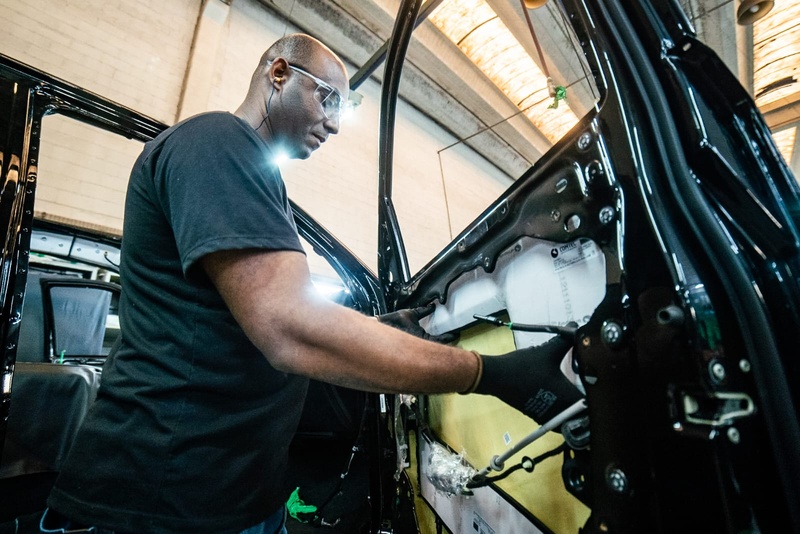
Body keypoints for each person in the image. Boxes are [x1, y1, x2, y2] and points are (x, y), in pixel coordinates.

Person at [30, 33, 582, 534]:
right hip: (162, 500)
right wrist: (490, 375)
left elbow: (240, 329)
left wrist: (375, 329)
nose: (336, 124)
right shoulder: (217, 142)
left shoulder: (255, 178)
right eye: (330, 99)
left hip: (228, 498)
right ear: (278, 74)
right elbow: (290, 328)